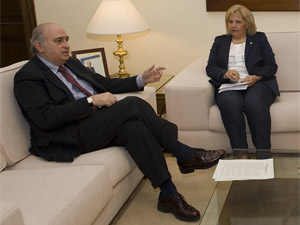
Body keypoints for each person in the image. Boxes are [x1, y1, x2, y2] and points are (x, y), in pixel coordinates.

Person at [14, 23, 225, 222]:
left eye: (67, 39)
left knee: (135, 128)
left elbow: (104, 83)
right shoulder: (28, 76)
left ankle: (168, 194)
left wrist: (141, 79)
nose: (67, 45)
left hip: (93, 123)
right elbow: (46, 118)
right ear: (39, 46)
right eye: (59, 40)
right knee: (131, 105)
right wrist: (91, 100)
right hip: (66, 135)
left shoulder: (71, 63)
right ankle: (184, 153)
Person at [206, 5, 279, 151]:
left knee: (253, 102)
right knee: (229, 102)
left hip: (258, 83)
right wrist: (225, 73)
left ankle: (263, 153)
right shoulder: (220, 41)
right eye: (230, 21)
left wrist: (257, 77)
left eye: (238, 22)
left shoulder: (259, 38)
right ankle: (240, 153)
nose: (233, 26)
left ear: (247, 23)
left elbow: (271, 65)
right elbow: (211, 67)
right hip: (229, 85)